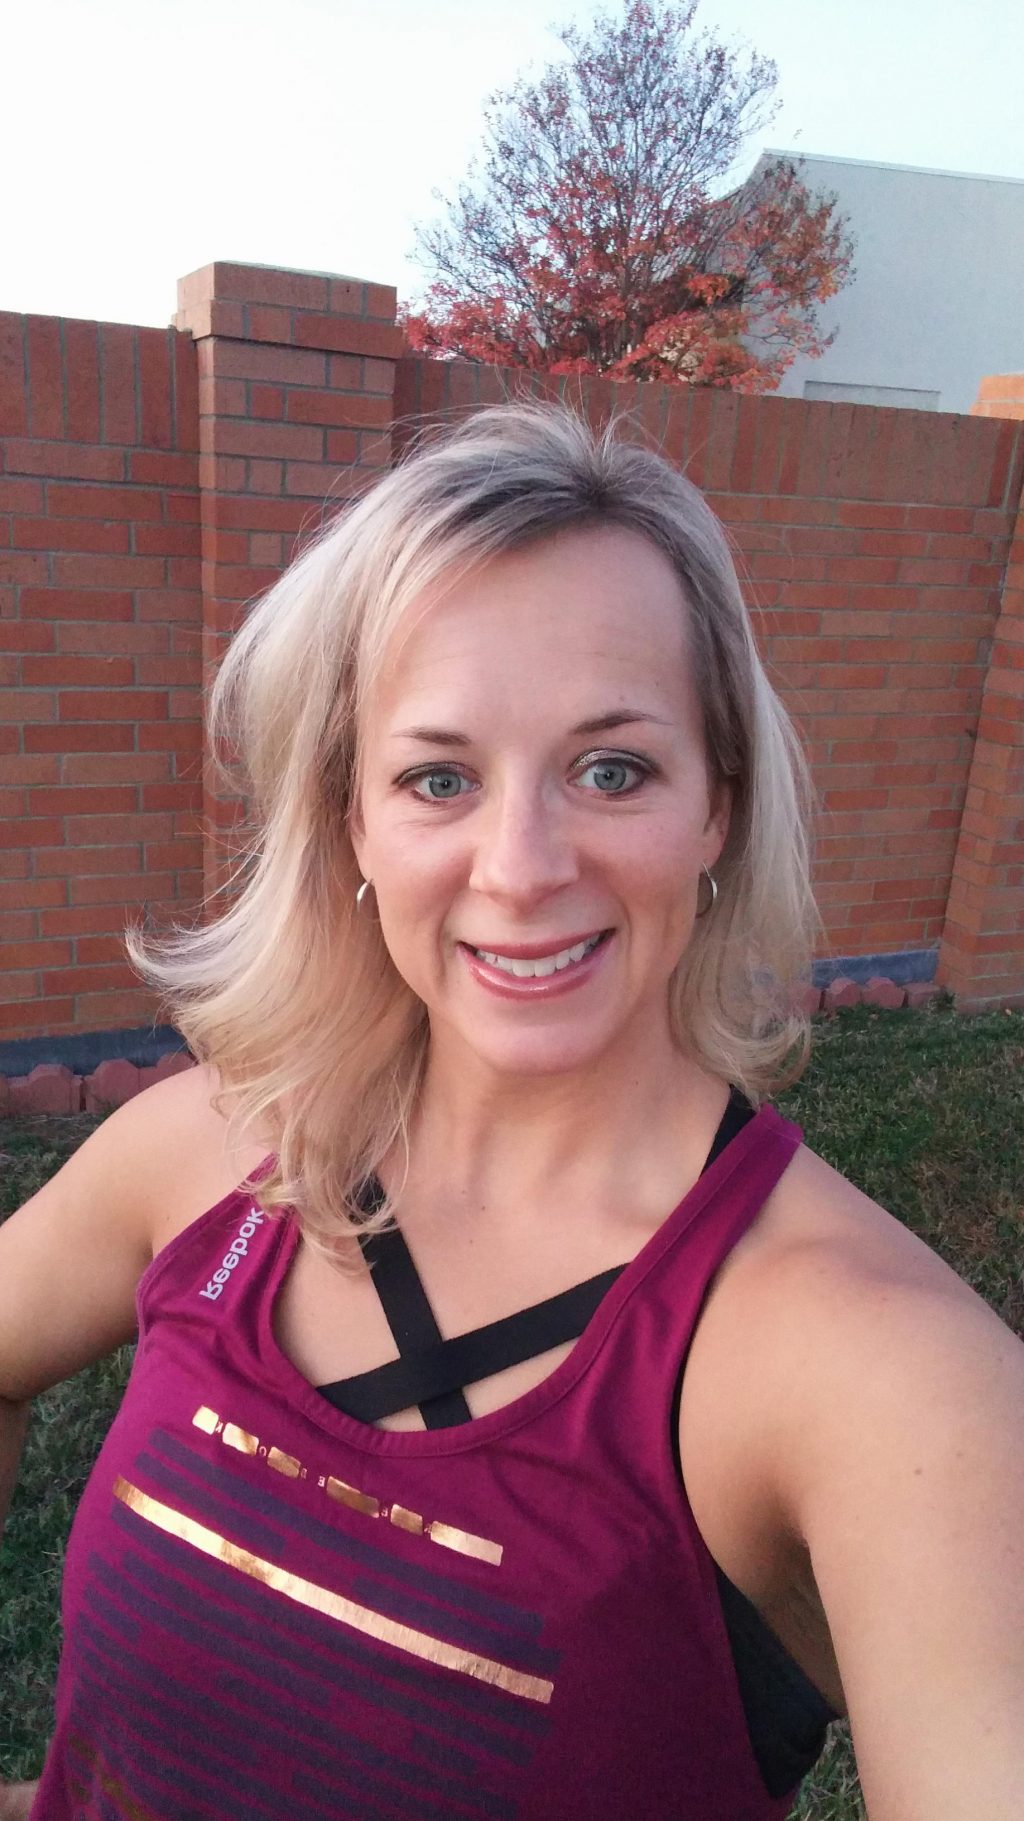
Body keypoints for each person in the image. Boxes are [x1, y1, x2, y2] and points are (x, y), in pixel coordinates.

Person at [1, 403, 1022, 1821]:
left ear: (718, 804)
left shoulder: (890, 1376)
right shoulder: (214, 1151)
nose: (523, 865)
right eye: (439, 777)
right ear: (353, 821)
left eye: (613, 769)